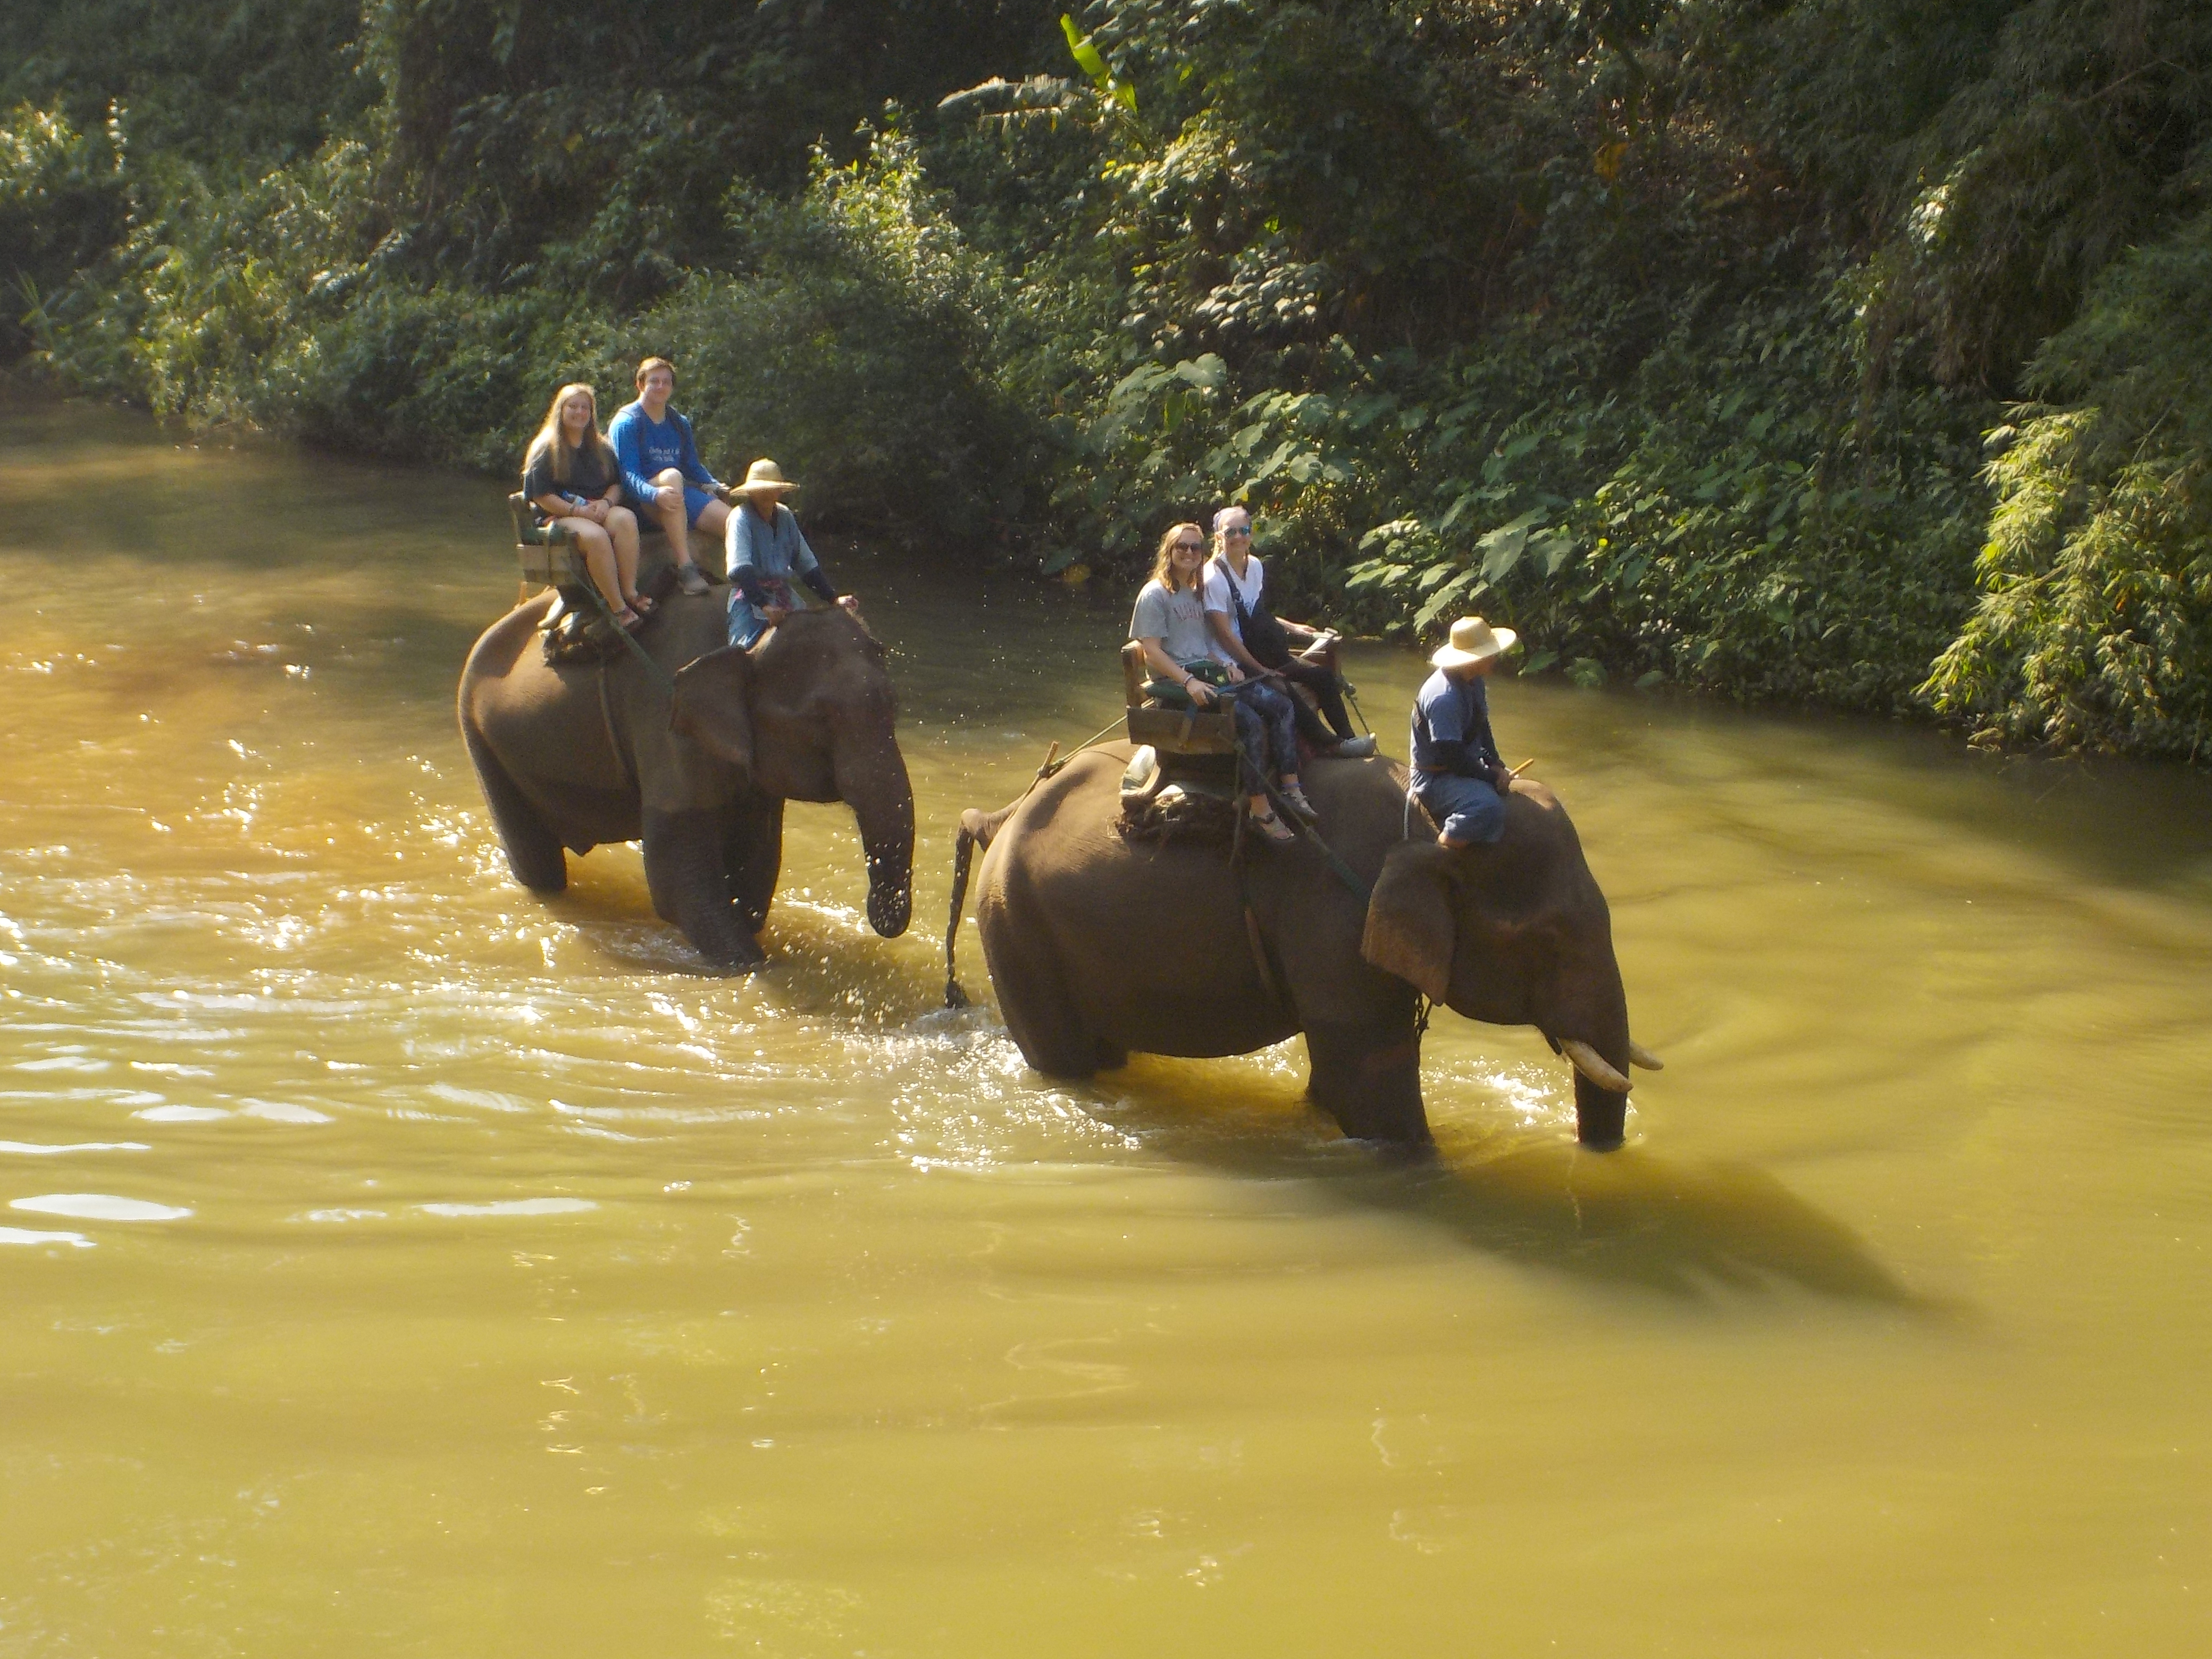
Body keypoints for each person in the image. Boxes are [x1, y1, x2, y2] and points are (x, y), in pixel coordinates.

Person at [1130, 522, 1312, 845]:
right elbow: (1152, 653)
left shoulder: (1197, 590)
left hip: (1208, 674)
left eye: (1195, 548)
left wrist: (1227, 664)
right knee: (1251, 722)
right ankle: (1260, 808)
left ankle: (1291, 787)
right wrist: (1188, 682)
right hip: (1178, 686)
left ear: (1203, 554)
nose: (1188, 553)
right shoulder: (1155, 594)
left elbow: (1205, 645)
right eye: (1181, 547)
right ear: (1169, 552)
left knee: (1281, 704)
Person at [1200, 505, 1376, 759]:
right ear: (1218, 537)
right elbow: (1225, 635)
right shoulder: (1213, 579)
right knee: (1284, 690)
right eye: (1230, 532)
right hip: (1236, 659)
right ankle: (1329, 744)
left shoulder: (1256, 567)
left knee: (1323, 676)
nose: (1238, 537)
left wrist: (1293, 628)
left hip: (1263, 649)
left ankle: (1348, 737)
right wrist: (1260, 669)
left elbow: (1255, 612)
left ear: (1251, 535)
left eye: (1244, 531)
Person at [522, 382, 649, 630]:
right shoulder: (546, 448)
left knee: (625, 519)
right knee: (596, 537)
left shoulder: (600, 447)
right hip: (560, 515)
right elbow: (540, 495)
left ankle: (630, 592)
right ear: (561, 410)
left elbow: (617, 484)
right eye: (573, 407)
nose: (579, 412)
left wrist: (606, 502)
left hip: (596, 508)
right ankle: (618, 609)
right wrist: (576, 511)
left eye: (585, 408)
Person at [608, 357, 728, 596]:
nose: (661, 387)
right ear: (640, 385)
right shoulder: (627, 422)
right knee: (673, 476)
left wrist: (714, 485)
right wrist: (654, 494)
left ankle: (757, 580)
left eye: (666, 382)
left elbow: (693, 466)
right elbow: (628, 476)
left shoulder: (679, 423)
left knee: (735, 521)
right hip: (642, 499)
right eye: (654, 381)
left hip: (676, 495)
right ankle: (686, 568)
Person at [1409, 615, 1520, 849]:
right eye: (1489, 653)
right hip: (1436, 776)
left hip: (1463, 760)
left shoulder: (1474, 681)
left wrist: (1495, 762)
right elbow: (1454, 759)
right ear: (1473, 660)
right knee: (1488, 806)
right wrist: (1491, 778)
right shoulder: (1443, 698)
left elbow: (1482, 725)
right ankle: (1443, 849)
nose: (1495, 657)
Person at [723, 459, 858, 648]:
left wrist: (833, 599)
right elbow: (740, 568)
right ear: (751, 492)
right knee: (743, 652)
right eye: (760, 489)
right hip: (750, 597)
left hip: (783, 593)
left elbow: (806, 565)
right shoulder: (740, 517)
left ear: (779, 491)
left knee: (817, 643)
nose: (766, 494)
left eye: (771, 489)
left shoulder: (786, 516)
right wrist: (765, 606)